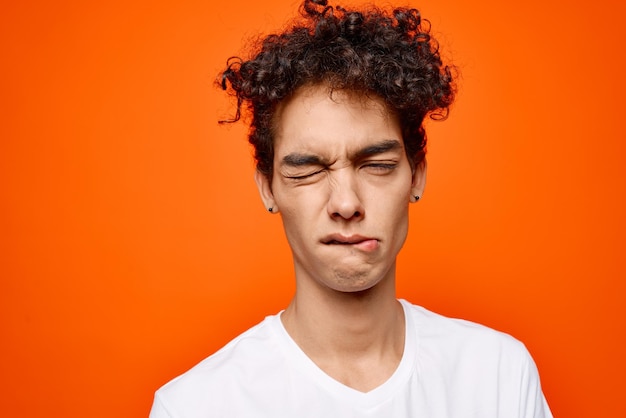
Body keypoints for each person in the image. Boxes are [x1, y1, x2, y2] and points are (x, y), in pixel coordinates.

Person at [149, 0, 553, 416]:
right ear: (268, 187)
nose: (346, 203)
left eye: (377, 165)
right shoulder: (196, 406)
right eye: (307, 170)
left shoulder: (498, 376)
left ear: (416, 176)